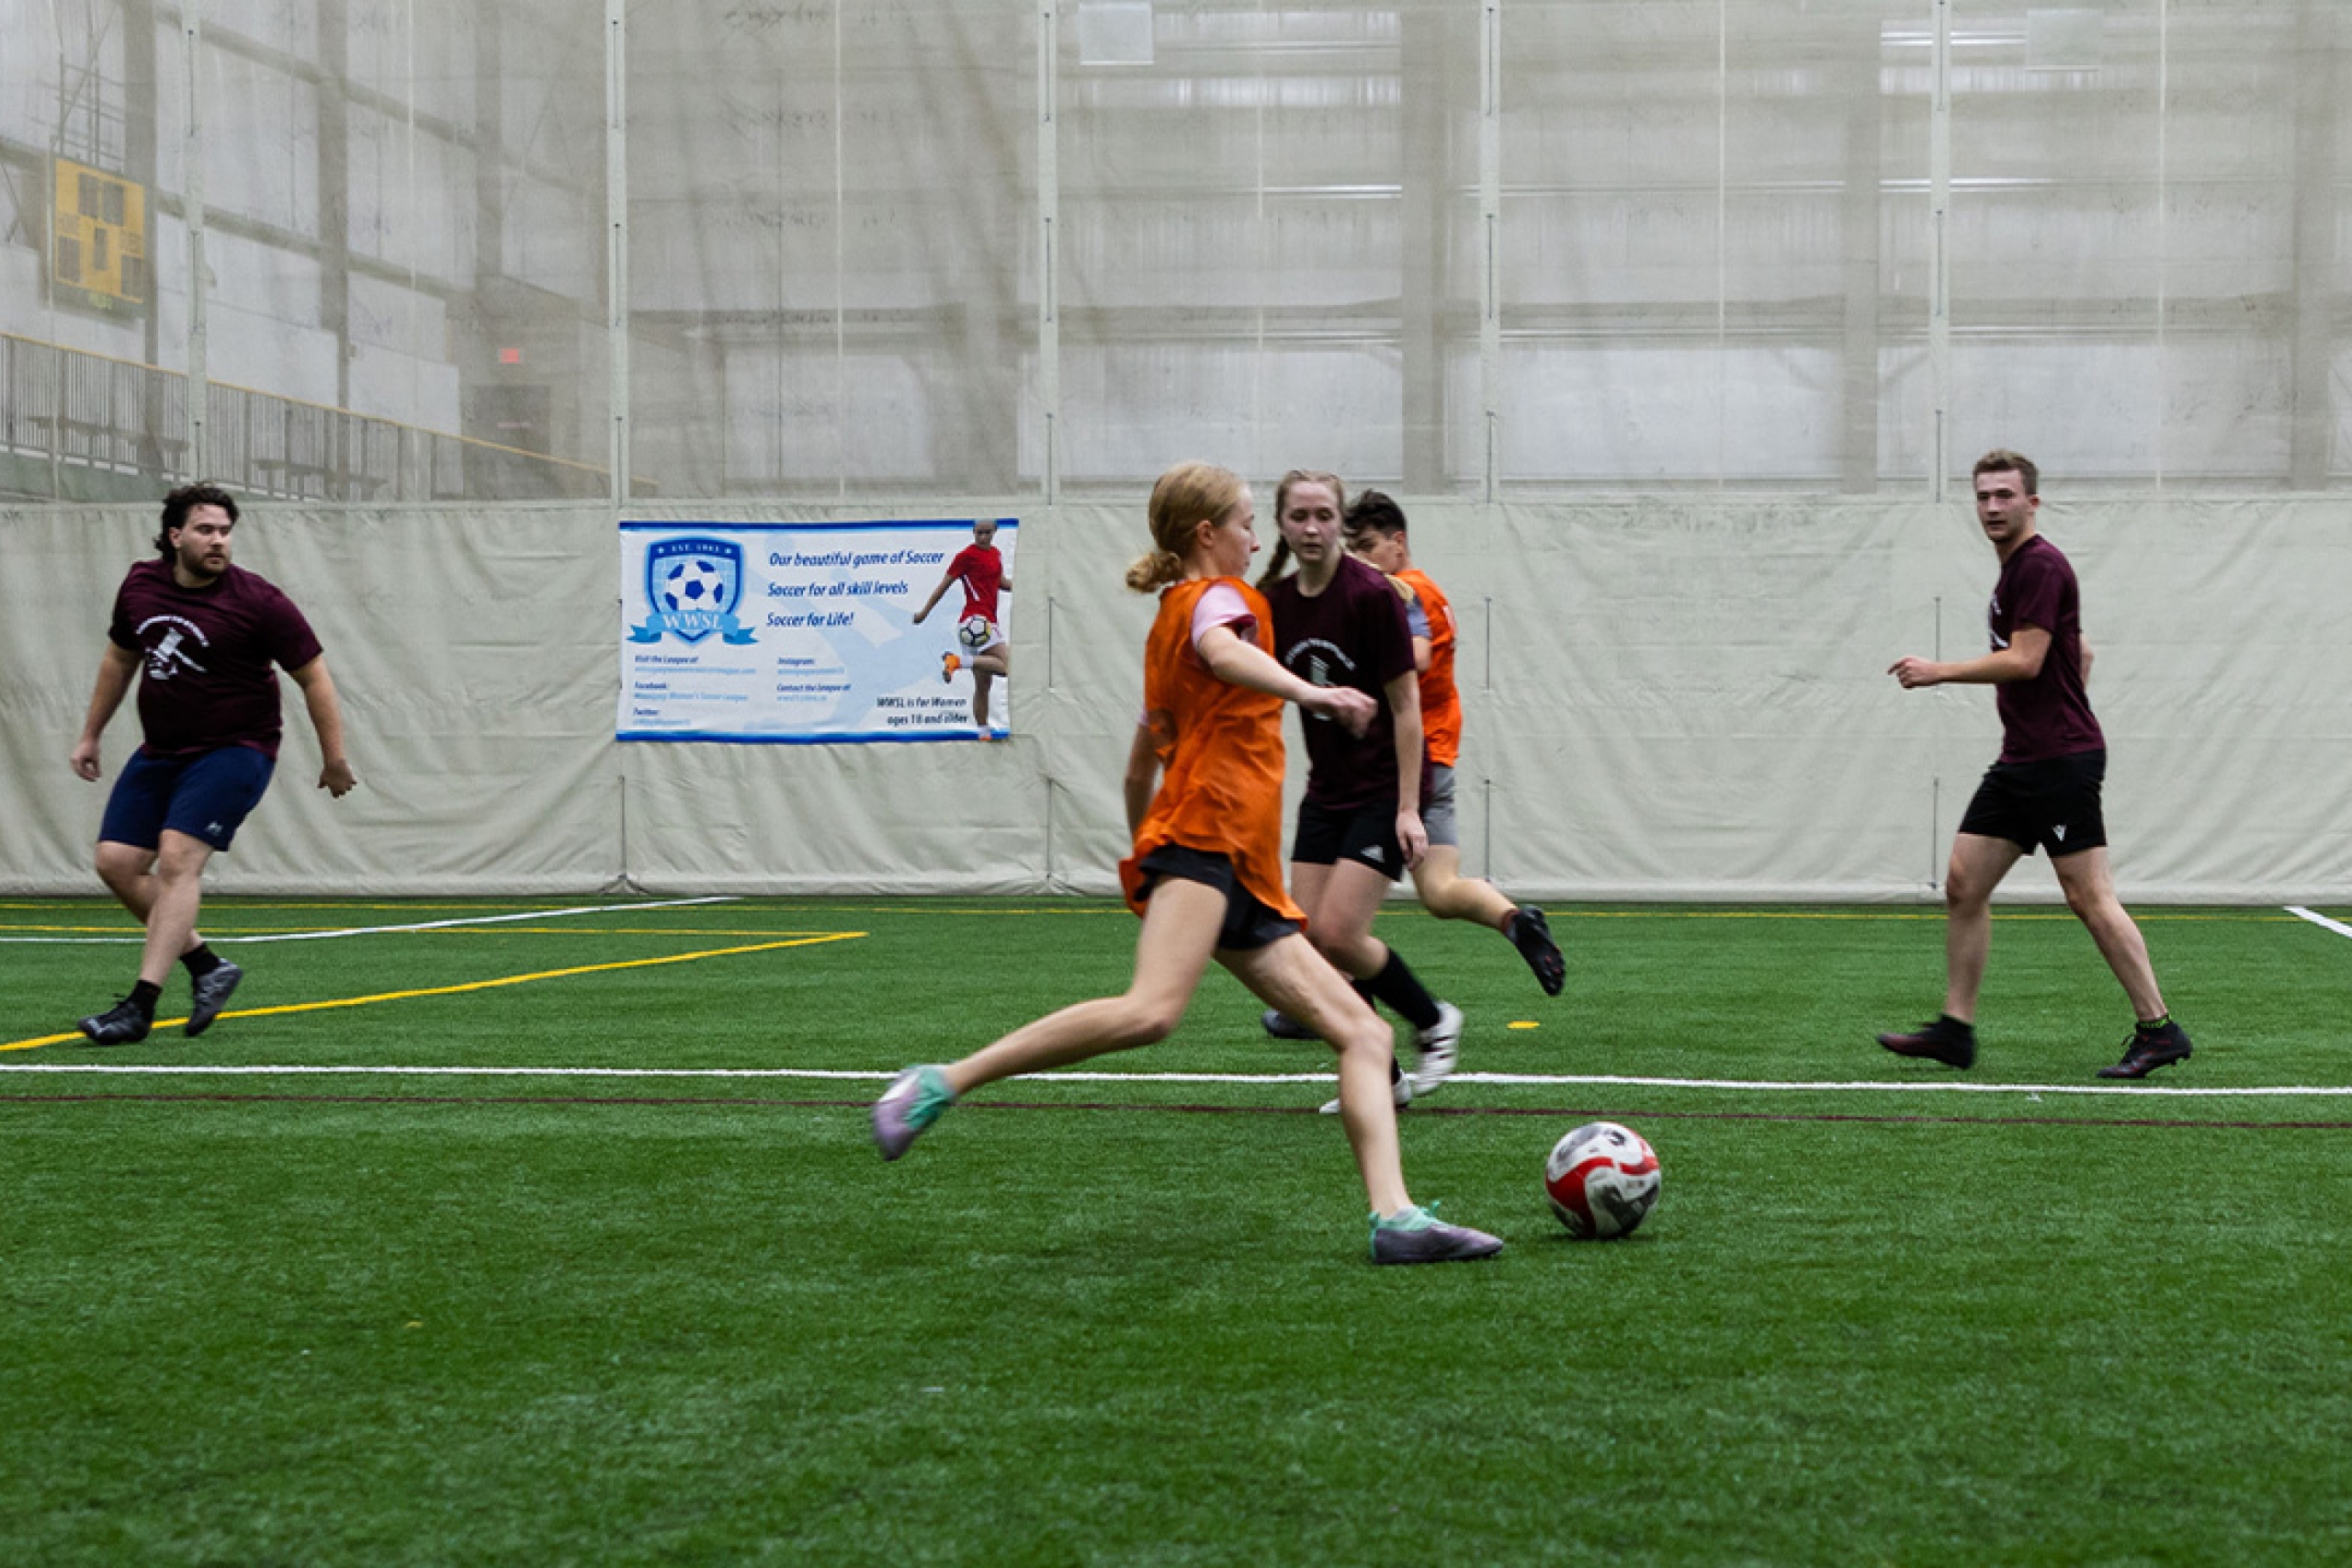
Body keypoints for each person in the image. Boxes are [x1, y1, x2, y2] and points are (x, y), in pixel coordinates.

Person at [873, 461, 1502, 1265]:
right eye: (1247, 521)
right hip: (1208, 840)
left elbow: (1141, 765)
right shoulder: (1221, 604)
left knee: (1363, 1034)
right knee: (1150, 1013)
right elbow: (1226, 652)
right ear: (1207, 534)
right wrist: (1317, 697)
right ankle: (939, 1082)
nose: (1256, 536)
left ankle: (1396, 1219)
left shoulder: (1172, 617)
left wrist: (1149, 852)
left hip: (1231, 863)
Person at [1878, 449, 2190, 1080]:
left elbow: (2024, 660)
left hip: (2058, 762)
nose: (1992, 507)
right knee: (1964, 883)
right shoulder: (2017, 571)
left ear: (2032, 502)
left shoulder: (2039, 564)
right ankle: (1955, 1029)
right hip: (2025, 759)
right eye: (1983, 496)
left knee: (2089, 895)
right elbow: (2078, 649)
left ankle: (2159, 1029)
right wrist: (2062, 690)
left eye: (2004, 496)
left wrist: (1937, 671)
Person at [69, 482, 358, 1045]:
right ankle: (208, 967)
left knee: (178, 859)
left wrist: (335, 758)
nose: (218, 540)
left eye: (225, 531)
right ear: (175, 536)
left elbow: (314, 675)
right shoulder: (140, 584)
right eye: (205, 529)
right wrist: (90, 734)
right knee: (115, 862)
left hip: (237, 749)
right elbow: (120, 657)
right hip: (162, 750)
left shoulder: (259, 602)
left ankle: (139, 1006)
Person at [1253, 471, 1462, 1112]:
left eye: (1323, 515)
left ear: (1337, 522)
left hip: (1385, 784)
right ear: (1282, 525)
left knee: (1340, 933)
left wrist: (1408, 808)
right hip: (1328, 788)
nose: (1311, 527)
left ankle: (1432, 1018)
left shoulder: (1373, 595)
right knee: (1309, 942)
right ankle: (1384, 1078)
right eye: (1299, 516)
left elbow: (1405, 709)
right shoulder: (1276, 601)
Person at [1340, 490, 1566, 997]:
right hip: (1436, 760)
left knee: (1333, 888)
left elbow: (1411, 663)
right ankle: (1515, 921)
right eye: (1352, 549)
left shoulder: (1403, 593)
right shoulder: (1426, 591)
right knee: (1440, 892)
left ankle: (1332, 999)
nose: (1361, 559)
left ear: (1398, 542)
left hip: (1401, 767)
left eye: (1369, 546)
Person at [912, 518, 1011, 733]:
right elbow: (943, 586)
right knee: (1007, 666)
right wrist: (924, 613)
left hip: (978, 626)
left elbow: (1000, 582)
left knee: (983, 685)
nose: (982, 537)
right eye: (978, 533)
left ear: (995, 531)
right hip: (977, 622)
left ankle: (983, 732)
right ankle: (956, 661)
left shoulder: (996, 554)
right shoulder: (966, 556)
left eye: (987, 532)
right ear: (973, 532)